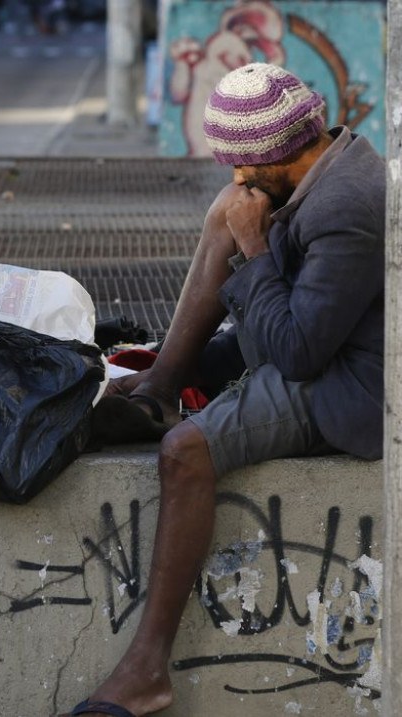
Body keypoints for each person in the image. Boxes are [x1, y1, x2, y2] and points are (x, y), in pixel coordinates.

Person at [71, 63, 384, 717]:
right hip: (310, 339)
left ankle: (145, 667)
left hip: (345, 385)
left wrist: (254, 247)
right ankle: (158, 383)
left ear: (271, 156)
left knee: (185, 449)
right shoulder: (325, 169)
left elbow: (295, 356)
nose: (236, 178)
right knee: (226, 217)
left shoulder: (346, 207)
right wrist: (240, 234)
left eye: (240, 166)